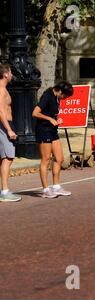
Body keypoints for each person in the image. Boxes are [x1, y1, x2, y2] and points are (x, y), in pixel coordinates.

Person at [32, 81, 74, 198]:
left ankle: (56, 187)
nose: (64, 98)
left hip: (52, 131)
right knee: (45, 159)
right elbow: (35, 113)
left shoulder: (57, 98)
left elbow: (52, 113)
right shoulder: (47, 96)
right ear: (60, 91)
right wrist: (50, 119)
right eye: (64, 96)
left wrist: (57, 120)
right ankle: (46, 190)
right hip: (43, 131)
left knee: (59, 158)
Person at [0, 63, 21, 202]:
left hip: (5, 124)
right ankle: (5, 192)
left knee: (3, 159)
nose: (12, 74)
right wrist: (9, 130)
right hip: (3, 125)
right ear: (5, 74)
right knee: (8, 158)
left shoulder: (3, 89)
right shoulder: (1, 90)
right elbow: (1, 110)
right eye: (11, 72)